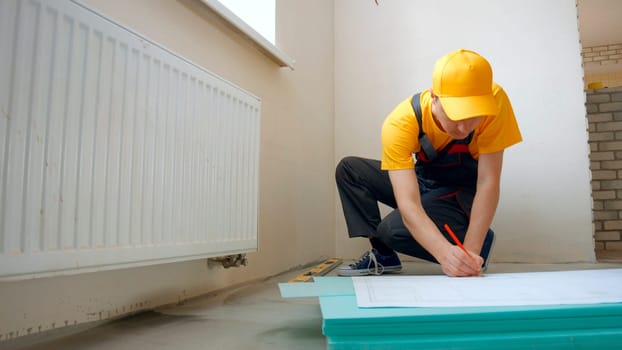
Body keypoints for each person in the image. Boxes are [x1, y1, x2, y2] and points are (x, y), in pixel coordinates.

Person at [335, 49, 522, 277]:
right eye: (456, 115)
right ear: (434, 97)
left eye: (473, 116)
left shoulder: (496, 102)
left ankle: (475, 242)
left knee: (392, 230)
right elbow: (409, 203)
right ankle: (384, 255)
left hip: (462, 191)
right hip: (425, 182)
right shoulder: (401, 123)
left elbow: (488, 182)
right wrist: (444, 254)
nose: (464, 128)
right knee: (350, 170)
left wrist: (472, 250)